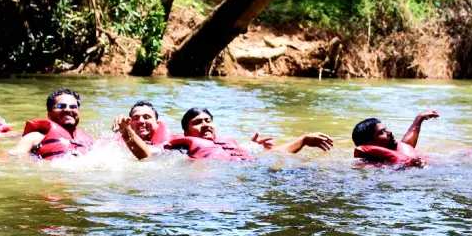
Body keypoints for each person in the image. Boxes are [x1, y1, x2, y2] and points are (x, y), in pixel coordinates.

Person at [121, 107, 333, 161]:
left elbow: (276, 154)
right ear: (186, 131)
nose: (205, 125)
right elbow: (147, 154)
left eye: (208, 121)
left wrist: (303, 140)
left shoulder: (230, 142)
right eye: (197, 123)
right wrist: (126, 131)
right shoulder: (181, 146)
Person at [10, 88, 95, 160]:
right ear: (49, 114)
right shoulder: (35, 137)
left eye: (73, 107)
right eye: (61, 106)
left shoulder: (89, 140)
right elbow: (14, 156)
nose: (68, 110)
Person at [352, 110, 439, 166]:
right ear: (371, 143)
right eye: (382, 132)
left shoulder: (395, 150)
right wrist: (406, 166)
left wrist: (419, 119)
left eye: (386, 129)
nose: (389, 133)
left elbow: (406, 147)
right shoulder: (371, 165)